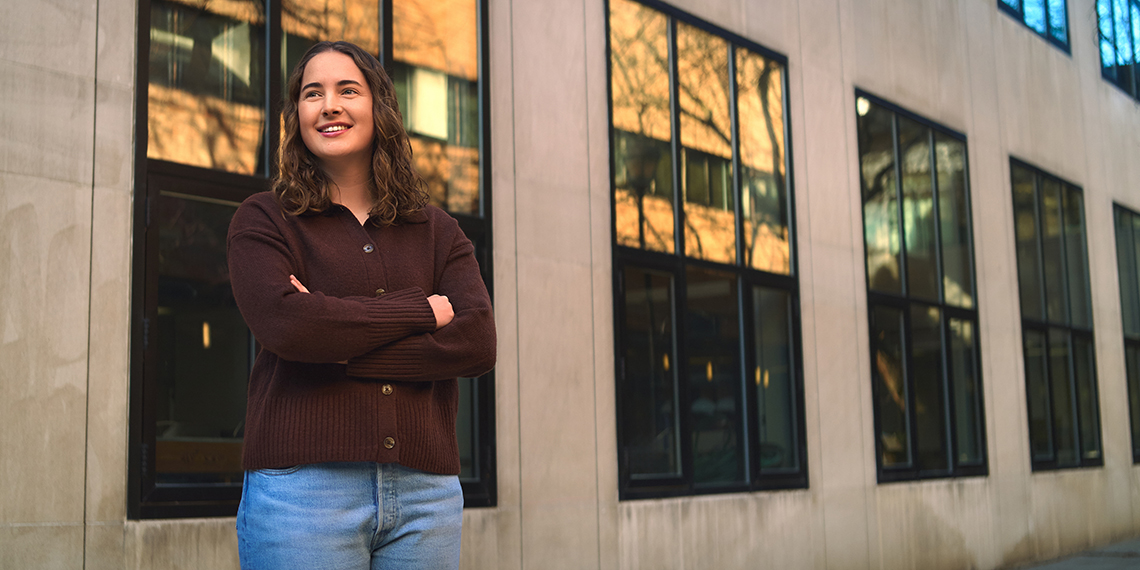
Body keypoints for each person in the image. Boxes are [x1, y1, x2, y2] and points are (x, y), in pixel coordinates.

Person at [226, 40, 496, 570]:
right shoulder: (264, 220)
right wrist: (421, 311)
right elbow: (289, 327)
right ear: (296, 115)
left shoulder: (437, 230)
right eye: (312, 93)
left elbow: (477, 343)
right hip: (302, 492)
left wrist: (333, 341)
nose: (329, 105)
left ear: (379, 107)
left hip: (426, 497)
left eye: (347, 90)